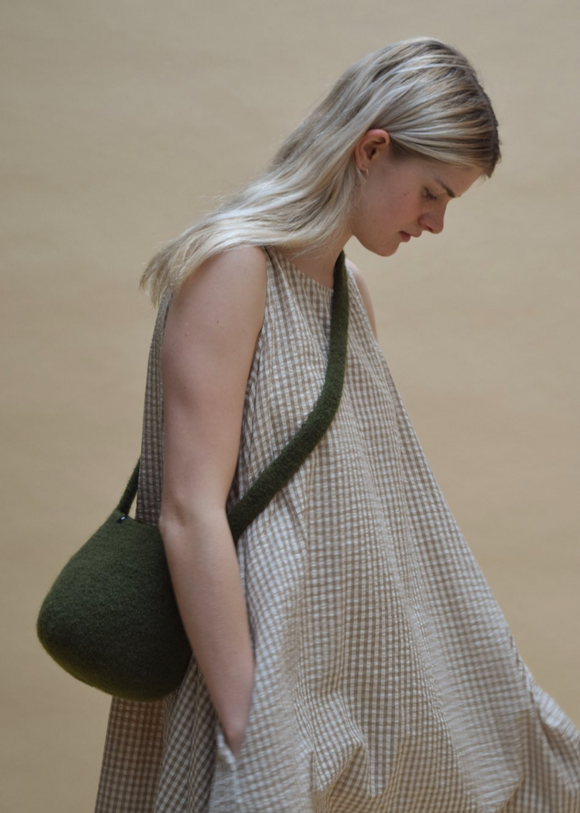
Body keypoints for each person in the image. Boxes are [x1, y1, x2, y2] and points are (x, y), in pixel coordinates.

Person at [95, 37, 580, 812]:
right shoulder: (234, 269)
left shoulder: (348, 295)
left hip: (330, 693)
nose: (436, 222)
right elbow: (189, 510)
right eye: (432, 192)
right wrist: (251, 732)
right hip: (247, 682)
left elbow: (363, 506)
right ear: (372, 149)